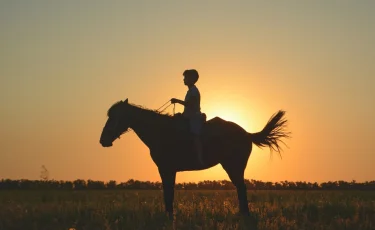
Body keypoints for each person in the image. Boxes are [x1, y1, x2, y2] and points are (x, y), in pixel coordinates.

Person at [171, 69, 204, 165]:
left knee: (195, 135)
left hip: (194, 118)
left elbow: (191, 105)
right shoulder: (190, 91)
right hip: (189, 117)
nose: (184, 80)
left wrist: (177, 101)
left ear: (192, 79)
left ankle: (199, 158)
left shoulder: (194, 91)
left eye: (186, 77)